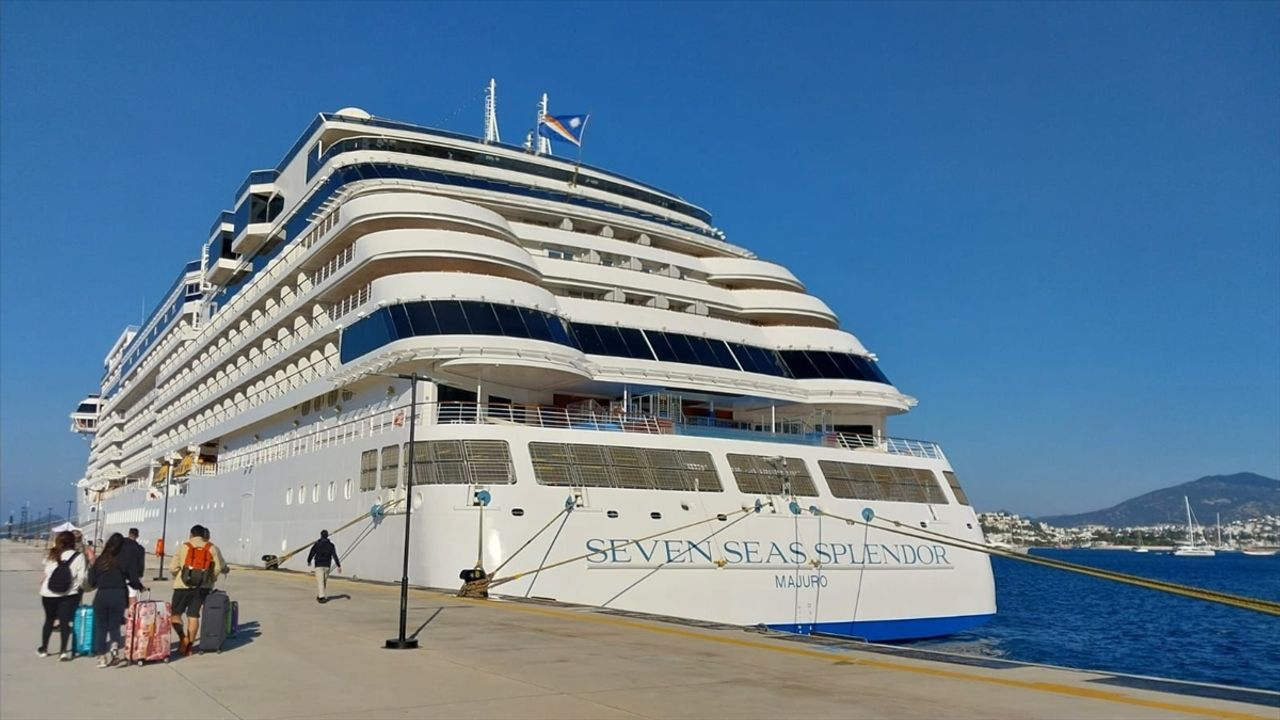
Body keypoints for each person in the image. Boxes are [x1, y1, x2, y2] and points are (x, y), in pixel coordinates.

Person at [88, 533, 146, 667]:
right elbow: (133, 579)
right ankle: (115, 651)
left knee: (101, 627)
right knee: (114, 625)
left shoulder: (100, 560)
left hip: (102, 595)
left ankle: (101, 657)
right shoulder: (125, 560)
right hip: (118, 594)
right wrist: (141, 587)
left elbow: (92, 582)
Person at [169, 525, 221, 656]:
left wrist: (178, 576)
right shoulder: (211, 548)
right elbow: (217, 568)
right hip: (202, 588)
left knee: (175, 614)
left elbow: (173, 568)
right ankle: (189, 647)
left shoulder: (184, 547)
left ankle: (183, 637)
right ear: (204, 535)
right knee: (193, 616)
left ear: (191, 534)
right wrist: (211, 580)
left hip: (182, 586)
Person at [39, 530, 87, 661]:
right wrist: (79, 588)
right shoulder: (79, 556)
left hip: (48, 593)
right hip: (68, 594)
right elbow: (82, 578)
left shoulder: (52, 554)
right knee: (65, 622)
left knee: (49, 620)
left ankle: (44, 649)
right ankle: (63, 652)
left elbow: (47, 571)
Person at [306, 530, 341, 603]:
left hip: (318, 565)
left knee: (320, 581)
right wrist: (338, 565)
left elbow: (312, 553)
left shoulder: (317, 544)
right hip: (327, 565)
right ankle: (320, 595)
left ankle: (321, 597)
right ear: (327, 536)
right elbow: (334, 555)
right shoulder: (331, 545)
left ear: (321, 535)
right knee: (323, 581)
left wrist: (309, 561)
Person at [120, 528, 147, 602]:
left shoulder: (119, 545)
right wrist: (139, 580)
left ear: (129, 534)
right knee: (132, 596)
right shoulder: (140, 549)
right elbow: (140, 565)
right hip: (133, 576)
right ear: (137, 536)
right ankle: (131, 608)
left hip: (118, 574)